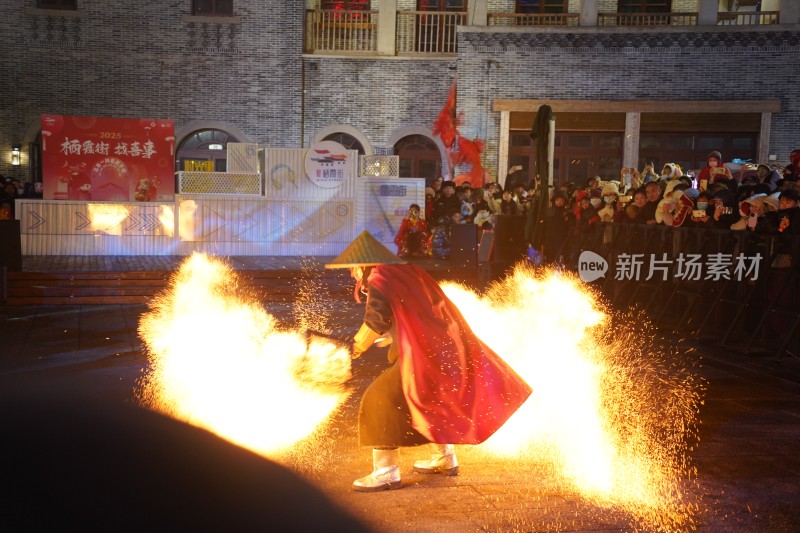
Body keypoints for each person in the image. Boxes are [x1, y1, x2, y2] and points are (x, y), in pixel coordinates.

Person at [325, 231, 532, 492]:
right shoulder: (404, 271)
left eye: (353, 268)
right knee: (426, 402)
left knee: (379, 400)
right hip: (440, 348)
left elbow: (376, 320)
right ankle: (445, 459)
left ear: (364, 264)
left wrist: (355, 347)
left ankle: (386, 472)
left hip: (427, 354)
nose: (352, 274)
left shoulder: (381, 277)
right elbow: (413, 310)